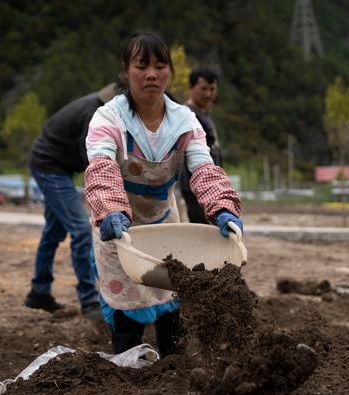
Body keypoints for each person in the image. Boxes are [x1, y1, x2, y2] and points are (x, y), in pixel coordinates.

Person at [84, 32, 242, 357]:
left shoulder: (184, 121)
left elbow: (203, 168)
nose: (151, 74)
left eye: (160, 65)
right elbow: (101, 165)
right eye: (142, 66)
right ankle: (127, 377)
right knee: (127, 321)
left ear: (170, 71)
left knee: (171, 307)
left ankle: (172, 377)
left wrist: (222, 207)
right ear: (126, 71)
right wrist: (111, 209)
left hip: (163, 223)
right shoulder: (109, 118)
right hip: (118, 229)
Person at [25, 83, 117, 318]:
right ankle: (88, 301)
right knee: (81, 230)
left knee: (53, 232)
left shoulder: (101, 107)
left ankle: (39, 292)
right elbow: (94, 164)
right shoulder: (95, 114)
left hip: (60, 166)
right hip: (49, 165)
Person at [179, 68, 222, 223]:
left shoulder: (204, 113)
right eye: (203, 89)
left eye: (212, 89)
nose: (208, 94)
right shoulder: (188, 115)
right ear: (191, 88)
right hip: (195, 185)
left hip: (209, 183)